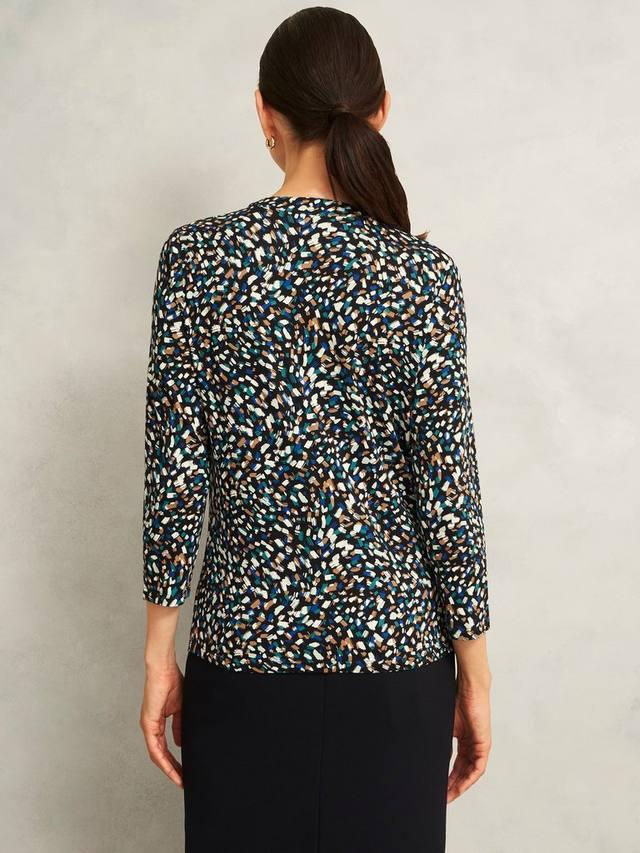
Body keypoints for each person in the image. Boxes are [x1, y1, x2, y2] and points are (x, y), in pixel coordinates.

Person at [138, 7, 492, 852]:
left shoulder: (196, 262)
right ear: (381, 111)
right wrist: (476, 674)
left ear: (265, 112)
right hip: (397, 672)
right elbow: (448, 498)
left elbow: (174, 482)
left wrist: (158, 655)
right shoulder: (422, 277)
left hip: (243, 668)